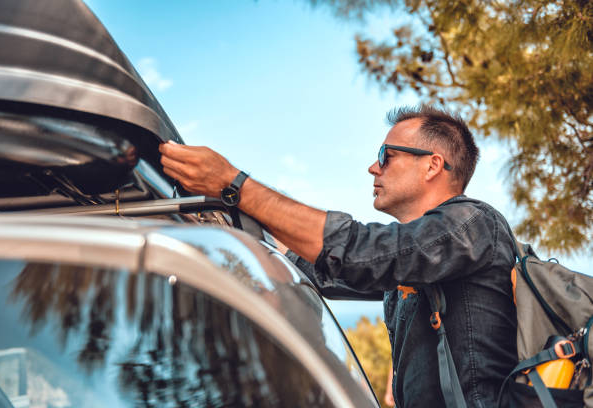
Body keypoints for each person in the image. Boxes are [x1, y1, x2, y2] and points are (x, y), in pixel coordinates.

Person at [159, 105, 518, 407]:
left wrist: (235, 184)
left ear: (432, 165)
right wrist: (229, 221)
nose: (373, 168)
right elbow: (322, 271)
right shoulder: (412, 265)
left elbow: (359, 251)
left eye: (385, 156)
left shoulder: (473, 223)